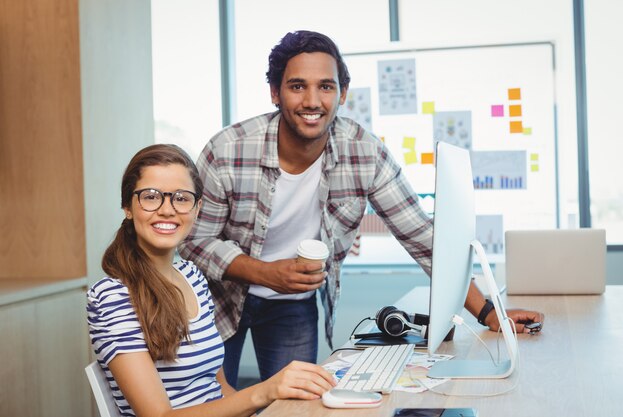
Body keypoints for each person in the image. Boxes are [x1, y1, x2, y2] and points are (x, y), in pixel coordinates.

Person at [179, 30, 545, 388]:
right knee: (209, 404)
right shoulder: (227, 150)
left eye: (325, 86)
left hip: (293, 305)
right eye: (297, 86)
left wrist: (487, 313)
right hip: (216, 300)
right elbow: (195, 242)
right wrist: (263, 272)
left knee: (294, 408)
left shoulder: (364, 152)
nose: (312, 101)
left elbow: (424, 238)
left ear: (342, 93)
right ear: (275, 93)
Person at [86, 144, 335, 417]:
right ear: (128, 207)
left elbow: (219, 386)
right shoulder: (113, 297)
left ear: (197, 208)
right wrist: (264, 391)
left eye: (181, 198)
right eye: (151, 197)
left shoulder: (193, 277)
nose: (167, 210)